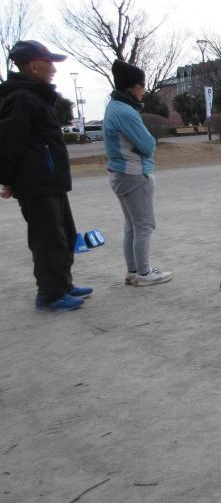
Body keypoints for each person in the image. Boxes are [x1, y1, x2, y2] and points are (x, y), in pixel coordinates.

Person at [0, 40, 92, 311]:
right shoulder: (20, 98)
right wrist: (7, 179)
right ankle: (50, 294)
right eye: (50, 63)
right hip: (35, 182)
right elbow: (8, 142)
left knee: (64, 233)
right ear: (34, 65)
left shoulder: (36, 95)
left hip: (49, 180)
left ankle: (63, 284)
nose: (53, 69)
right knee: (47, 239)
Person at [103, 60, 172, 286]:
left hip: (120, 173)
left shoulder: (113, 107)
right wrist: (150, 141)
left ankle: (134, 271)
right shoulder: (126, 112)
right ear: (132, 87)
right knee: (144, 225)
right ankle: (144, 273)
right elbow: (148, 145)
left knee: (131, 225)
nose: (143, 90)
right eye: (142, 85)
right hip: (133, 173)